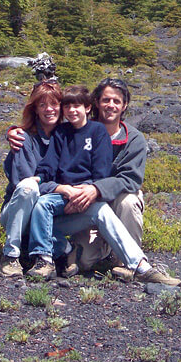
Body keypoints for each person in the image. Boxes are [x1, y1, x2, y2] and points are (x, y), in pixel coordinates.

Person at [9, 78, 181, 285]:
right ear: (97, 103)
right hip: (67, 200)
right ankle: (54, 254)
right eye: (106, 100)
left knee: (119, 205)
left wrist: (93, 190)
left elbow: (127, 179)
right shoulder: (62, 132)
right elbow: (49, 166)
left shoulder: (129, 138)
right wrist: (57, 187)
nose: (111, 105)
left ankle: (136, 265)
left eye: (116, 101)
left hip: (102, 199)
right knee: (81, 257)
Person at [26, 85, 112, 279]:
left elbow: (102, 172)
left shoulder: (97, 131)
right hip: (63, 193)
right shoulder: (61, 132)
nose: (72, 111)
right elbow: (49, 165)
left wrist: (89, 190)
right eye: (68, 106)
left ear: (88, 108)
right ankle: (51, 257)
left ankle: (130, 261)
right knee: (40, 208)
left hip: (87, 193)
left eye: (77, 106)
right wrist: (41, 179)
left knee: (42, 209)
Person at [0, 80, 62, 277]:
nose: (49, 109)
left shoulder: (67, 138)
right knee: (29, 187)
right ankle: (10, 255)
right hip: (20, 210)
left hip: (49, 211)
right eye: (42, 105)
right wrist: (60, 188)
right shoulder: (23, 138)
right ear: (34, 109)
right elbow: (24, 183)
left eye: (54, 104)